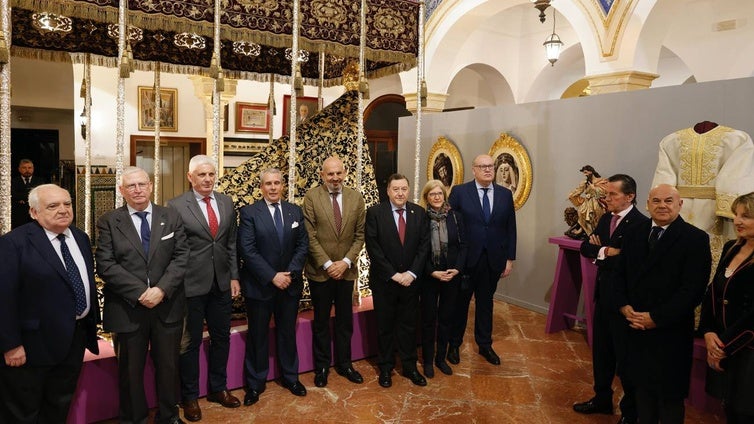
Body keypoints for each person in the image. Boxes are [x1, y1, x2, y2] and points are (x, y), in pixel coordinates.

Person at [96, 166, 189, 424]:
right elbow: (106, 264)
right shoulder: (109, 221)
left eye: (142, 184)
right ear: (121, 190)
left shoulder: (171, 217)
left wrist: (161, 289)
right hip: (128, 308)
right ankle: (133, 419)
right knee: (130, 371)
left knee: (169, 367)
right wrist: (140, 293)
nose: (137, 190)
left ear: (150, 186)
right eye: (131, 186)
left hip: (166, 305)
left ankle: (169, 416)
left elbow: (182, 257)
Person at [0, 184, 100, 423]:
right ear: (34, 212)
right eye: (53, 206)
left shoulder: (80, 237)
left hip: (73, 341)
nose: (63, 210)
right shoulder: (14, 243)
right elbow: (4, 297)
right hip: (31, 347)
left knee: (59, 406)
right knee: (23, 413)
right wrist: (10, 344)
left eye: (67, 204)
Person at [614, 184, 711, 424]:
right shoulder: (635, 232)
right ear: (647, 204)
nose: (662, 206)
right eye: (656, 201)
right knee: (641, 392)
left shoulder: (695, 239)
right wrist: (623, 305)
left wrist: (655, 318)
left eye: (669, 201)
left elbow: (692, 290)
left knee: (669, 398)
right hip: (635, 327)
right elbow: (619, 274)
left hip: (670, 331)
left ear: (680, 205)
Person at [168, 155, 241, 422]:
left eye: (211, 174)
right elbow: (174, 249)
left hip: (221, 284)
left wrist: (234, 276)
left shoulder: (226, 201)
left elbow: (230, 243)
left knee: (222, 338)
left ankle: (218, 389)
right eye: (201, 175)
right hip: (190, 286)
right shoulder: (175, 206)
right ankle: (189, 397)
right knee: (189, 343)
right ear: (190, 177)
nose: (208, 179)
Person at [573, 174, 648, 424]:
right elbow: (586, 247)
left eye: (612, 195)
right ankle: (602, 398)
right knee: (601, 353)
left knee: (625, 360)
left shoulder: (641, 225)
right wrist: (606, 250)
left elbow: (630, 260)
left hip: (625, 303)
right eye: (606, 194)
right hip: (602, 297)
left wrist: (601, 251)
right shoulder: (606, 219)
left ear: (630, 196)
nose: (606, 199)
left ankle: (630, 412)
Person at [238, 168, 309, 406]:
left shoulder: (294, 211)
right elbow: (247, 250)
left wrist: (288, 274)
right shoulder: (249, 213)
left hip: (289, 285)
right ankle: (255, 384)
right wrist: (272, 276)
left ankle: (291, 378)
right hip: (260, 287)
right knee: (258, 336)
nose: (273, 187)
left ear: (283, 185)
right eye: (268, 183)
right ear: (261, 187)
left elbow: (302, 245)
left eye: (277, 183)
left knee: (287, 334)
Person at [447, 154, 516, 366]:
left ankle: (485, 345)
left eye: (490, 166)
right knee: (460, 305)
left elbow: (510, 228)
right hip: (466, 260)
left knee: (486, 304)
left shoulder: (505, 194)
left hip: (493, 259)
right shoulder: (460, 192)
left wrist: (510, 258)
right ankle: (454, 345)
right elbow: (451, 226)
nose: (487, 170)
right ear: (474, 169)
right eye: (482, 166)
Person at [303, 157, 366, 388]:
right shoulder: (312, 197)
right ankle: (321, 366)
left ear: (345, 172)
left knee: (344, 322)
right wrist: (329, 264)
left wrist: (346, 262)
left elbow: (360, 235)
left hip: (347, 272)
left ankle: (345, 363)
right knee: (320, 322)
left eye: (339, 173)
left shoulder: (356, 198)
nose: (335, 178)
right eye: (330, 174)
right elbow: (309, 235)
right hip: (320, 272)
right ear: (322, 175)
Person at [365, 173, 430, 388]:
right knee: (384, 326)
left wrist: (411, 274)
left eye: (404, 189)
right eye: (396, 189)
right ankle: (385, 368)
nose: (400, 193)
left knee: (409, 326)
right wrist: (393, 274)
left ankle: (410, 367)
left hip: (411, 282)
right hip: (385, 282)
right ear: (388, 191)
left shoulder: (419, 213)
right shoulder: (375, 213)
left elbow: (424, 247)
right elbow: (373, 247)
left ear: (408, 190)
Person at [700, 192, 754, 424]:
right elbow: (713, 291)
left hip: (748, 348)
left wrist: (723, 347)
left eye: (747, 216)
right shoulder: (732, 247)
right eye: (736, 215)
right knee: (729, 407)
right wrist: (709, 331)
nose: (737, 221)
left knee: (745, 412)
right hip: (723, 342)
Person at [419, 180, 467, 378]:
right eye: (432, 194)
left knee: (446, 319)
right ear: (427, 197)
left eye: (440, 193)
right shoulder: (420, 219)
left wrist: (457, 269)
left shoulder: (456, 217)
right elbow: (418, 250)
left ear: (444, 195)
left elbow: (464, 245)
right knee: (429, 320)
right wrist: (431, 271)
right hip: (430, 276)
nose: (437, 197)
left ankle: (441, 358)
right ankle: (428, 361)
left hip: (451, 275)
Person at [568, 165, 607, 237]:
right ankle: (585, 230)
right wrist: (572, 195)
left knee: (595, 214)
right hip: (587, 201)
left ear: (591, 171)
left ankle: (596, 232)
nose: (585, 174)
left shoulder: (601, 181)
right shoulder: (585, 182)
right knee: (581, 211)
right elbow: (578, 190)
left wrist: (594, 188)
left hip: (596, 201)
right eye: (584, 173)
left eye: (586, 172)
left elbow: (604, 192)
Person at [11, 159, 44, 228]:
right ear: (19, 169)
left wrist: (22, 197)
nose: (27, 170)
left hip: (36, 214)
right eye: (24, 168)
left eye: (29, 168)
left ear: (33, 169)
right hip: (18, 215)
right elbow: (13, 195)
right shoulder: (13, 181)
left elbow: (40, 195)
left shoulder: (39, 181)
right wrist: (30, 194)